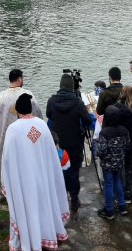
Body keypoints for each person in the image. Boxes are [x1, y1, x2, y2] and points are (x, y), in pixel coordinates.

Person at [1, 93, 69, 251]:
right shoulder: (42, 124)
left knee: (28, 210)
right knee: (44, 206)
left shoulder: (13, 129)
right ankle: (48, 236)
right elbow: (51, 155)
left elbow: (7, 159)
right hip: (43, 178)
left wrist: (7, 180)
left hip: (24, 181)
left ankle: (30, 240)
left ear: (18, 111)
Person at [0, 69, 42, 199]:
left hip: (6, 136)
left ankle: (4, 190)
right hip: (25, 136)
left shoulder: (1, 96)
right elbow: (37, 114)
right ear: (19, 79)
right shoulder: (27, 94)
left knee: (4, 159)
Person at [46, 73, 94, 211]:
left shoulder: (52, 101)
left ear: (60, 86)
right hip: (74, 144)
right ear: (72, 87)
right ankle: (74, 200)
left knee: (58, 172)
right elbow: (88, 121)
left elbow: (49, 115)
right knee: (73, 172)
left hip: (57, 145)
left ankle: (60, 200)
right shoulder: (77, 102)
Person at [95, 105, 130, 219]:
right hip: (119, 162)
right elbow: (127, 145)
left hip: (107, 164)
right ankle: (122, 206)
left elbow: (101, 151)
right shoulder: (124, 130)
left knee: (109, 184)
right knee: (118, 181)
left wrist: (97, 151)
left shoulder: (104, 133)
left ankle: (109, 210)